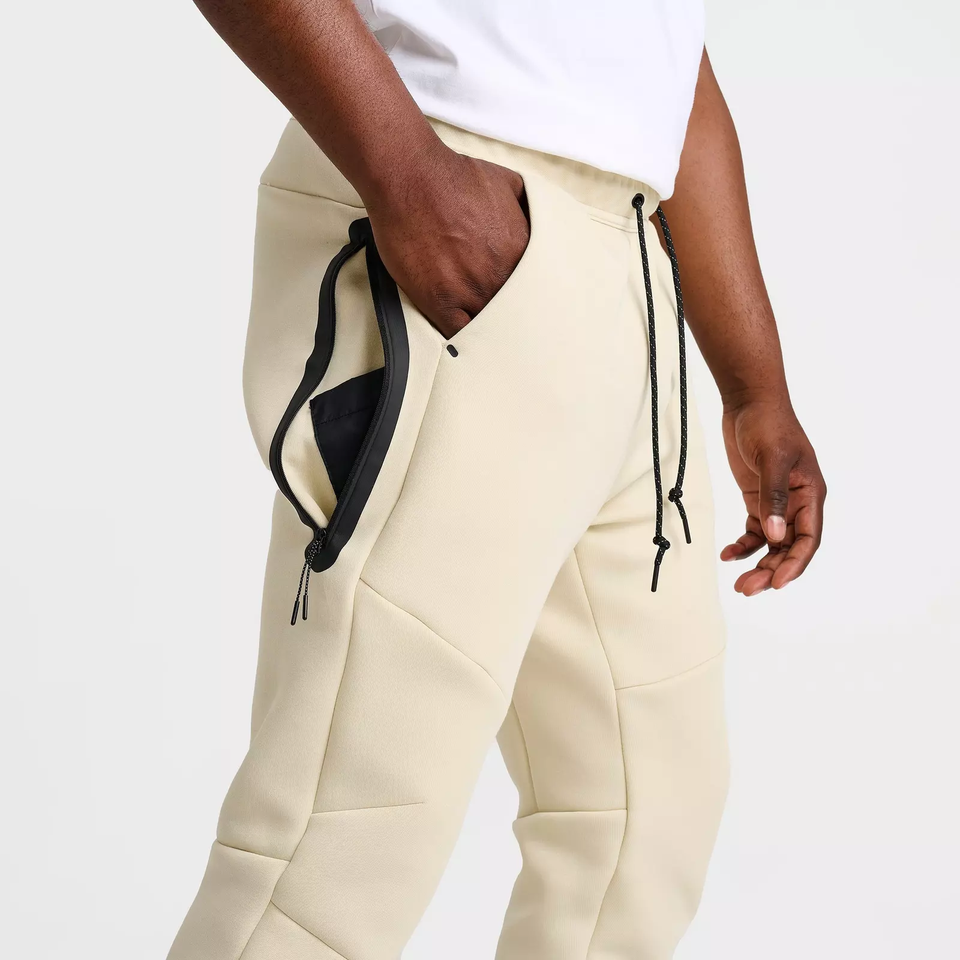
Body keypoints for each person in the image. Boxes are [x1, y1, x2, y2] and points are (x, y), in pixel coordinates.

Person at [167, 1, 826, 957]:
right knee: (342, 839)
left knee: (639, 829)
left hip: (635, 262)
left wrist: (755, 387)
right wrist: (412, 181)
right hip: (448, 198)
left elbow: (673, 56)